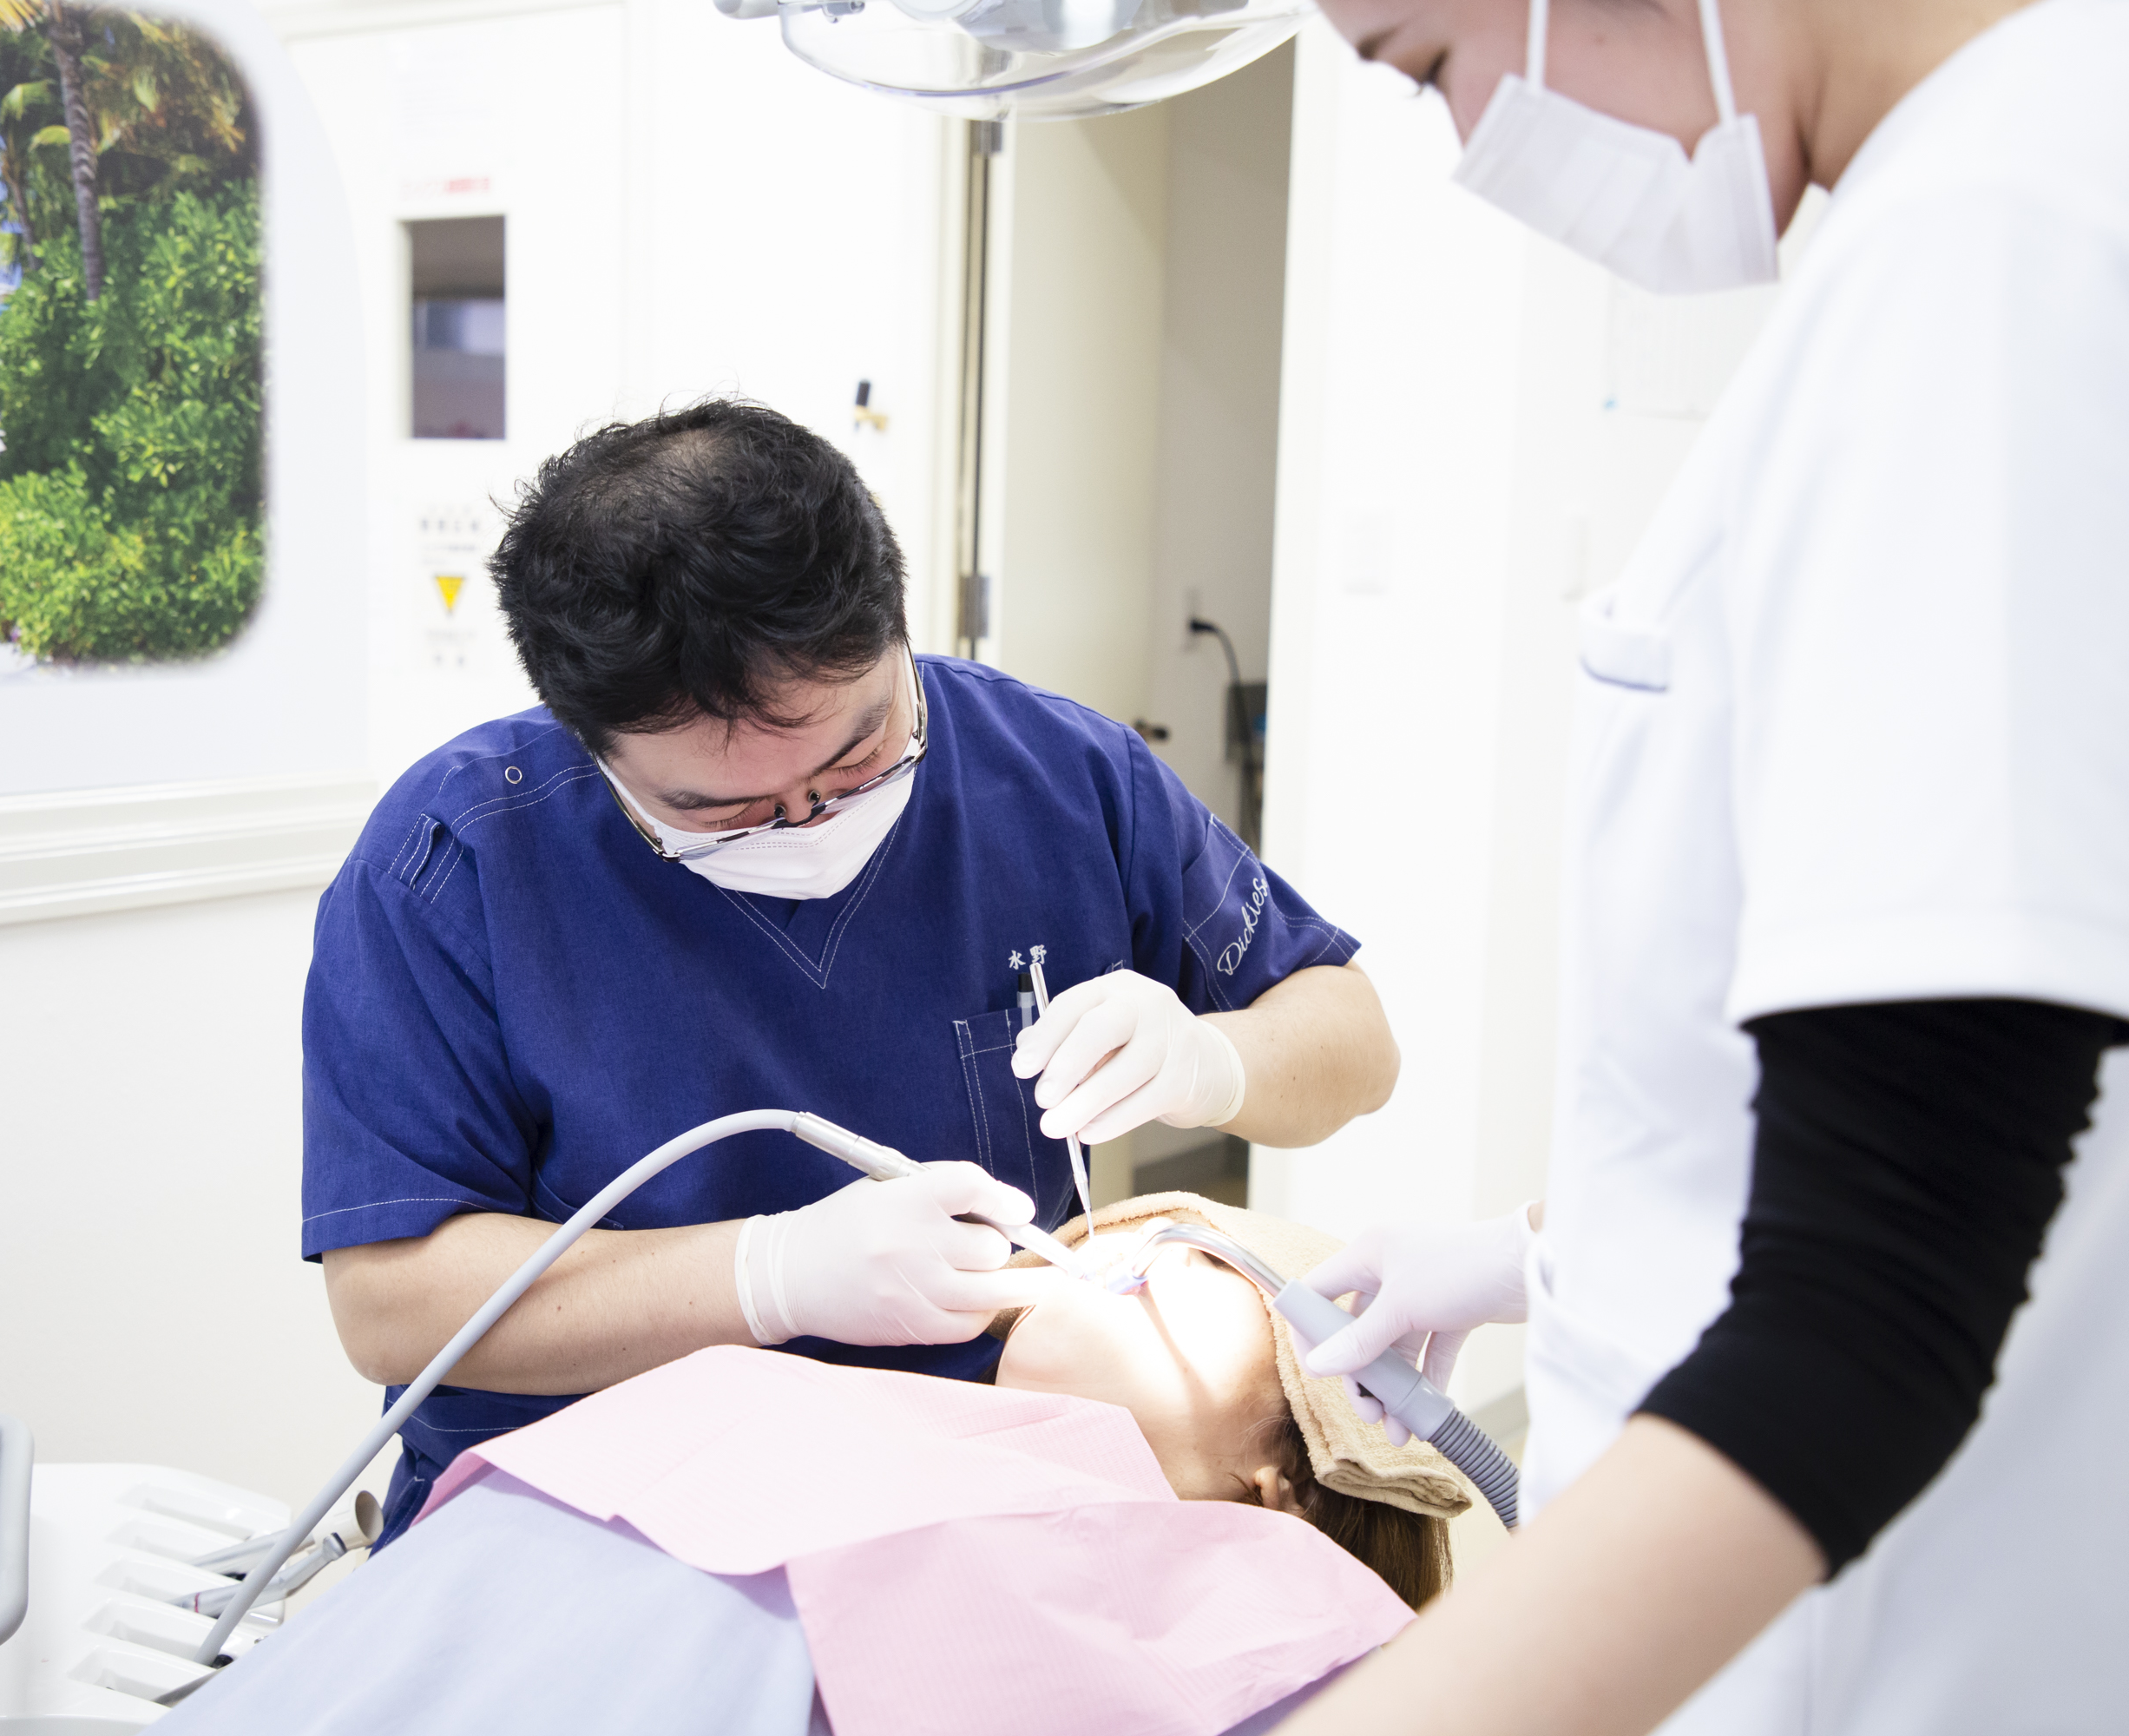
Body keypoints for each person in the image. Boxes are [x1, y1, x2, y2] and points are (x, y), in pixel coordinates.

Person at [1262, 0, 2129, 1732]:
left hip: (1884, 1641)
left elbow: (1877, 1306)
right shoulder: (2082, 158)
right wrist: (1544, 1250)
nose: (1471, 140)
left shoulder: (1989, 258)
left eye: (1424, 64)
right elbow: (1991, 1046)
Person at [303, 399, 1403, 1544]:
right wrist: (767, 1275)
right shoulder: (455, 863)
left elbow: (1354, 1039)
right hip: (594, 1527)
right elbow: (391, 1305)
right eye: (724, 809)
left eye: (859, 755)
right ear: (591, 742)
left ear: (896, 625)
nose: (808, 819)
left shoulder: (1061, 776)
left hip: (968, 1501)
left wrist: (1214, 1058)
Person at [160, 1196, 1466, 1736]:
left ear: (1281, 1484)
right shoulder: (893, 1424)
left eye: (1220, 1275)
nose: (1151, 1247)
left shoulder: (1281, 1607)